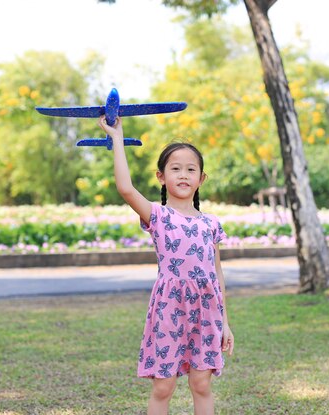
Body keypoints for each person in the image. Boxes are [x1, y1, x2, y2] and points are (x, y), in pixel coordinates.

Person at [98, 116, 234, 415]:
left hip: (207, 311)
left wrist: (224, 321)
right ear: (161, 176)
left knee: (202, 385)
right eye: (175, 168)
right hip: (169, 308)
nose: (183, 175)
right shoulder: (157, 216)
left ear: (201, 178)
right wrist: (117, 139)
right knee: (164, 386)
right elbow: (125, 188)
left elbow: (217, 274)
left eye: (190, 169)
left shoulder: (211, 223)